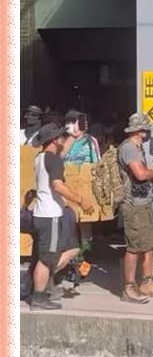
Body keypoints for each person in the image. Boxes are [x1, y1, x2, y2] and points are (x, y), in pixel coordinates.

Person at [28, 124, 94, 310]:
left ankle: (40, 283)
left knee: (70, 250)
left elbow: (61, 155)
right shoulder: (53, 161)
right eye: (62, 137)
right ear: (55, 140)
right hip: (50, 216)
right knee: (47, 259)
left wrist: (74, 136)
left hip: (44, 214)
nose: (64, 139)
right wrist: (81, 200)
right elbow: (58, 185)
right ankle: (38, 294)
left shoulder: (41, 158)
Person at [117, 113, 153, 303]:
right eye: (146, 129)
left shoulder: (137, 148)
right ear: (141, 130)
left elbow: (143, 176)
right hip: (134, 206)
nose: (147, 132)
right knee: (134, 247)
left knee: (149, 243)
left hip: (144, 202)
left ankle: (147, 282)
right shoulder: (130, 149)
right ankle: (129, 287)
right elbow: (139, 174)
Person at [61, 110, 101, 260]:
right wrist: (71, 137)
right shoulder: (61, 141)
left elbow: (97, 164)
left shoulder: (91, 141)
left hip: (85, 187)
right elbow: (58, 159)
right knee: (68, 222)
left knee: (85, 224)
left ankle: (85, 253)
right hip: (65, 188)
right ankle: (68, 253)